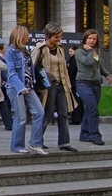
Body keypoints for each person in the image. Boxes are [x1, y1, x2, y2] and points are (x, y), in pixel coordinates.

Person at [30, 23, 78, 152]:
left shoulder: (60, 48)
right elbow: (32, 68)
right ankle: (37, 141)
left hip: (61, 84)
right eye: (56, 37)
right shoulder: (40, 48)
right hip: (47, 86)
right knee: (47, 114)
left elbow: (63, 67)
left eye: (60, 36)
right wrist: (38, 85)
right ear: (48, 36)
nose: (59, 39)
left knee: (63, 114)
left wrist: (68, 84)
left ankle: (64, 142)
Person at [5, 25, 48, 154]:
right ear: (20, 36)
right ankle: (17, 146)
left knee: (39, 112)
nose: (28, 37)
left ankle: (35, 143)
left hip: (29, 86)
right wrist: (20, 87)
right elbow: (11, 73)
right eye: (26, 35)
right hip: (16, 88)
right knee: (21, 117)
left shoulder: (25, 51)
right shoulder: (10, 52)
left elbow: (29, 70)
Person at [75, 29, 112, 145]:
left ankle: (84, 135)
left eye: (94, 39)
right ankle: (95, 136)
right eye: (90, 38)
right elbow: (88, 62)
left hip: (96, 84)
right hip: (83, 84)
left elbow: (98, 65)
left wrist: (106, 74)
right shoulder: (79, 52)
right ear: (85, 39)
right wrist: (90, 51)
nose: (92, 40)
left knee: (90, 110)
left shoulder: (95, 51)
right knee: (93, 110)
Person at [67, 45, 84, 125]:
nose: (69, 53)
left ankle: (76, 118)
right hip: (79, 82)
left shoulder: (74, 59)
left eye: (71, 51)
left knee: (76, 101)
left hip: (74, 83)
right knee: (79, 101)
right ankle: (80, 117)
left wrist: (68, 81)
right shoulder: (80, 59)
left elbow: (71, 71)